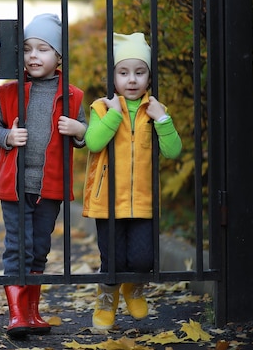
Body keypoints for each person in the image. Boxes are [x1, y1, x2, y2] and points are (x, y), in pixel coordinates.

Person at [0, 13, 87, 338]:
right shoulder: (10, 92)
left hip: (50, 187)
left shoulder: (73, 95)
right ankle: (16, 315)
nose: (33, 56)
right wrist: (7, 138)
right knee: (18, 247)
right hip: (15, 186)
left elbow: (86, 136)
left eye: (42, 49)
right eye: (27, 49)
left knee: (39, 248)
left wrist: (79, 129)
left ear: (58, 56)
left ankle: (31, 312)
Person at [82, 32, 182, 330]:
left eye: (140, 72)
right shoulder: (102, 107)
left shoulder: (155, 111)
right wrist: (114, 116)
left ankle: (133, 287)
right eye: (124, 72)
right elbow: (94, 143)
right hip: (107, 200)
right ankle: (107, 297)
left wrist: (163, 120)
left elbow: (173, 151)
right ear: (112, 77)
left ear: (149, 77)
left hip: (143, 200)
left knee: (142, 259)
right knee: (112, 259)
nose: (132, 79)